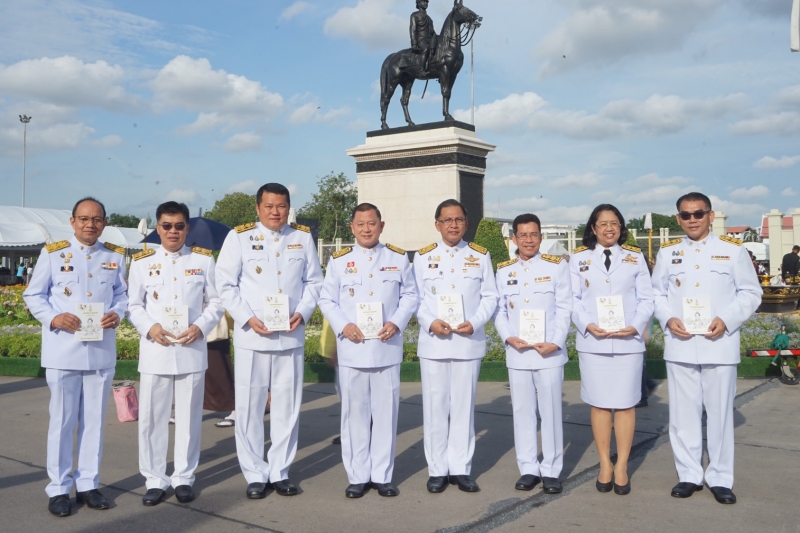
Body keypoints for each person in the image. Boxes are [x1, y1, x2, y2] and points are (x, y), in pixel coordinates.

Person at [652, 192, 761, 504]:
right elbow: (655, 294)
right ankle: (688, 474)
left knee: (720, 414)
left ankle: (720, 477)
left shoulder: (732, 251)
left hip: (719, 343)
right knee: (683, 414)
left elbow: (751, 292)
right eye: (685, 215)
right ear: (678, 219)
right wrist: (668, 317)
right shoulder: (667, 253)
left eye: (698, 214)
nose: (692, 220)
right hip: (681, 344)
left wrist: (726, 320)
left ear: (711, 216)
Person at [216, 183, 323, 499]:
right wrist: (247, 318)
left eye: (281, 206)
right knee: (249, 408)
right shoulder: (239, 237)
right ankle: (254, 473)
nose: (275, 212)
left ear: (289, 207)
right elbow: (224, 285)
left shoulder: (301, 238)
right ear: (257, 208)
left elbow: (314, 282)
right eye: (269, 206)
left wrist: (302, 313)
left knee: (287, 408)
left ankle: (280, 471)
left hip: (289, 337)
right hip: (253, 336)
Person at [23, 197, 128, 517]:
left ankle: (88, 484)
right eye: (84, 219)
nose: (90, 224)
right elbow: (33, 295)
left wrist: (117, 314)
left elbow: (123, 294)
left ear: (104, 222)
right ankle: (58, 488)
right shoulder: (53, 254)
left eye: (96, 219)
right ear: (72, 222)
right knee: (63, 422)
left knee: (93, 423)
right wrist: (54, 318)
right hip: (63, 351)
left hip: (99, 352)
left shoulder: (113, 256)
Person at [127, 201, 224, 506]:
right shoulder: (142, 262)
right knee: (152, 419)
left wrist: (201, 327)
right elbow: (133, 305)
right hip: (157, 348)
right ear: (158, 228)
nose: (173, 231)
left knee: (189, 417)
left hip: (191, 348)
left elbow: (217, 303)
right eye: (167, 225)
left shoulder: (204, 261)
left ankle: (184, 476)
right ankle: (155, 479)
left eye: (179, 225)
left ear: (187, 228)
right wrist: (150, 327)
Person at [319, 203, 418, 498]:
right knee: (355, 415)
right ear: (352, 227)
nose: (366, 229)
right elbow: (327, 300)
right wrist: (343, 326)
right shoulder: (339, 261)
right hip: (353, 347)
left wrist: (397, 322)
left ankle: (382, 475)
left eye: (371, 223)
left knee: (386, 414)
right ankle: (358, 475)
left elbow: (410, 295)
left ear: (381, 225)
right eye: (360, 224)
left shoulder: (398, 259)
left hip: (386, 347)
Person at [413, 199, 498, 493]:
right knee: (435, 408)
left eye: (458, 219)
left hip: (466, 342)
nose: (453, 225)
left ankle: (461, 469)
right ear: (437, 224)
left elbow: (490, 297)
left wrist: (475, 321)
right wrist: (429, 322)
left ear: (466, 223)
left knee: (463, 408)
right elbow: (415, 299)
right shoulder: (423, 257)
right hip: (435, 342)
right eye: (447, 220)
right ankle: (437, 469)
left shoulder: (480, 255)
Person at [570, 205, 654, 495]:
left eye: (615, 223)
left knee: (627, 403)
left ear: (621, 227)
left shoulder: (634, 257)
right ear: (592, 228)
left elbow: (647, 298)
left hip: (628, 341)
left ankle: (622, 466)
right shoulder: (578, 259)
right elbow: (572, 299)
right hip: (594, 342)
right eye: (603, 223)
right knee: (600, 403)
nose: (609, 228)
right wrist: (587, 324)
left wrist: (636, 325)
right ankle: (606, 463)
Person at [493, 214, 571, 494]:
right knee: (523, 412)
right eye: (523, 235)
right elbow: (499, 311)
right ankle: (527, 468)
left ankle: (551, 469)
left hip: (548, 352)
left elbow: (565, 308)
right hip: (518, 352)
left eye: (533, 234)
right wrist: (508, 337)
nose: (528, 239)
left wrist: (557, 341)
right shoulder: (504, 270)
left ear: (540, 237)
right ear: (514, 238)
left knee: (550, 412)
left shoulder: (556, 267)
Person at [410, 0, 437, 74]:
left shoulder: (429, 19)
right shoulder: (414, 15)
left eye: (427, 2)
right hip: (421, 40)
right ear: (418, 3)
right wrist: (414, 44)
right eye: (424, 2)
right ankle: (421, 69)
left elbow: (433, 32)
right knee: (426, 48)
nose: (426, 3)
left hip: (430, 40)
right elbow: (413, 29)